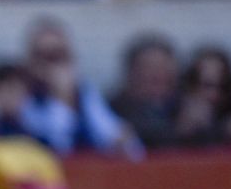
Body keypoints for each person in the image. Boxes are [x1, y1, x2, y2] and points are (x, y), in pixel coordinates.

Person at [19, 16, 139, 156]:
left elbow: (123, 142)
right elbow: (60, 146)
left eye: (58, 56)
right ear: (30, 59)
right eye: (45, 57)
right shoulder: (22, 95)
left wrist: (121, 138)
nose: (53, 66)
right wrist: (63, 96)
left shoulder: (84, 92)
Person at [108, 32, 180, 148]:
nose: (157, 75)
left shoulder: (184, 106)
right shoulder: (111, 112)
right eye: (149, 67)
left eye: (163, 67)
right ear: (131, 73)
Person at [173, 44, 231, 147]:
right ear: (190, 85)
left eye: (222, 86)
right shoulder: (169, 113)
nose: (214, 94)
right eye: (207, 85)